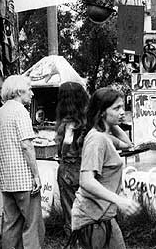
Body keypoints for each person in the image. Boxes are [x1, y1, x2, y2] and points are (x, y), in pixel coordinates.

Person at [70, 87, 140, 249]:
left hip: (104, 216)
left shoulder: (105, 136)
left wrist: (110, 122)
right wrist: (119, 200)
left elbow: (128, 144)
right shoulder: (97, 139)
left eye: (123, 107)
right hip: (92, 218)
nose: (122, 112)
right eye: (116, 108)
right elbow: (86, 181)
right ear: (102, 112)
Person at [0, 75, 45, 248]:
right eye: (29, 89)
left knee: (11, 224)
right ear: (19, 92)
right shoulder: (21, 112)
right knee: (33, 226)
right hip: (24, 180)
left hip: (5, 179)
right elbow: (26, 145)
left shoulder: (0, 112)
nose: (32, 94)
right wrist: (36, 176)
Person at [55, 81, 89, 236]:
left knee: (71, 211)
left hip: (69, 170)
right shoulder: (89, 120)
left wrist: (61, 152)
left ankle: (75, 239)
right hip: (87, 169)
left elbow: (66, 146)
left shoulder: (67, 123)